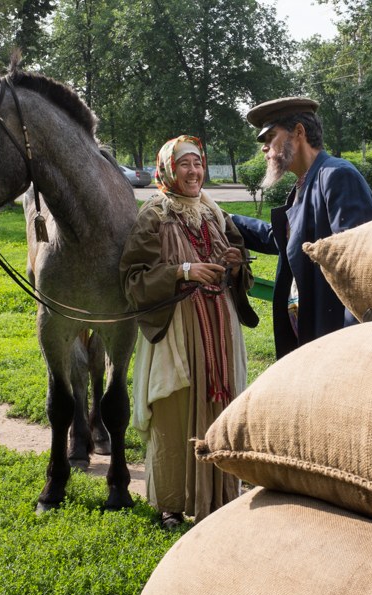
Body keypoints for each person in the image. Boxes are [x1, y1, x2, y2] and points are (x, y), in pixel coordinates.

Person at [120, 135, 258, 529]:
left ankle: (220, 494)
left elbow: (241, 272)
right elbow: (133, 280)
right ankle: (171, 503)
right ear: (168, 170)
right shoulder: (153, 216)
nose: (194, 171)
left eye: (197, 163)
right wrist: (183, 271)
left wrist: (236, 264)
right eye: (184, 164)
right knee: (175, 412)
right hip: (178, 334)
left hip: (220, 331)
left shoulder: (216, 214)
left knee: (221, 407)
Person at [231, 97, 372, 359]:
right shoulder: (304, 182)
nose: (264, 148)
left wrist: (350, 346)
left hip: (335, 340)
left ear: (298, 132)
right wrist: (223, 218)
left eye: (270, 137)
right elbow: (280, 240)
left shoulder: (336, 175)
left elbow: (356, 267)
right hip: (311, 333)